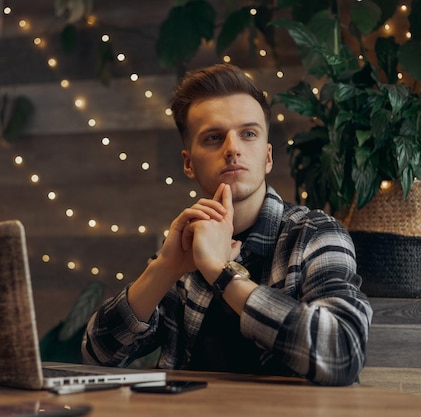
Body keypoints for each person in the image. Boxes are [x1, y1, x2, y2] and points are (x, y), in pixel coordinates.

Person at [81, 63, 373, 386]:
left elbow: (343, 352)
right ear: (188, 163)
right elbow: (97, 355)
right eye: (214, 137)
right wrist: (164, 267)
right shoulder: (188, 245)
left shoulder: (315, 234)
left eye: (248, 134)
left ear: (268, 156)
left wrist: (222, 273)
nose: (232, 148)